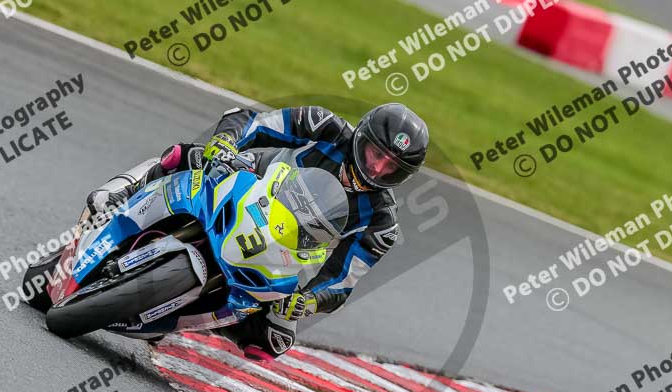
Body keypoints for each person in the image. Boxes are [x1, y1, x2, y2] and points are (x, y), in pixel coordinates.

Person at [87, 103, 429, 358]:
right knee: (185, 156)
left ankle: (182, 316)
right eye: (375, 154)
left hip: (282, 256)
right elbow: (250, 120)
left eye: (391, 167)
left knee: (270, 342)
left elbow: (342, 280)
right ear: (361, 137)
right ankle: (124, 195)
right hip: (249, 189)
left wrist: (308, 302)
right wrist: (225, 144)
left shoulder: (382, 222)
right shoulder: (323, 126)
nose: (378, 168)